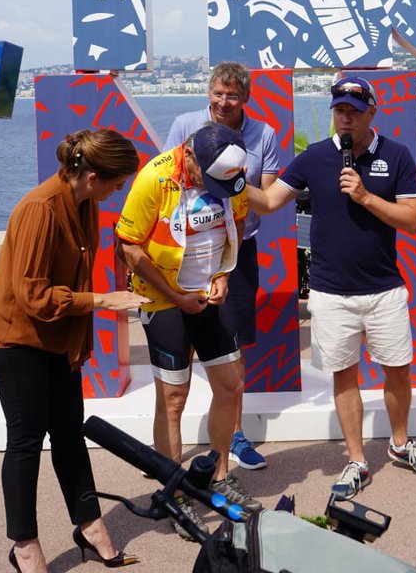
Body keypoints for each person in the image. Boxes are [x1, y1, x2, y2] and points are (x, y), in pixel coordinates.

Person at [244, 75, 416, 501]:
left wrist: (366, 196)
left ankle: (400, 443)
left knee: (398, 370)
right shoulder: (314, 157)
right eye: (339, 110)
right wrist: (232, 182)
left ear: (372, 113)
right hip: (331, 291)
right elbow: (270, 201)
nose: (346, 118)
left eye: (354, 111)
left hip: (384, 288)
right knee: (344, 374)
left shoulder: (396, 155)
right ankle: (356, 460)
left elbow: (413, 221)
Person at [0, 129, 145, 572]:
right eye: (117, 183)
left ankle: (90, 525)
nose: (118, 191)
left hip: (57, 334)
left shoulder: (86, 203)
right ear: (92, 177)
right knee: (26, 439)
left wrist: (81, 337)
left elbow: (76, 277)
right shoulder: (40, 209)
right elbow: (33, 296)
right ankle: (24, 546)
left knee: (69, 432)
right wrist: (103, 301)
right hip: (15, 336)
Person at [117, 122, 263, 540]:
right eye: (209, 181)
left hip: (208, 293)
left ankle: (219, 475)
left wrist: (224, 274)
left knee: (230, 386)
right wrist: (175, 296)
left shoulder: (233, 173)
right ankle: (175, 492)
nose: (215, 189)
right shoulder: (154, 177)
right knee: (173, 398)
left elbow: (235, 225)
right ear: (192, 157)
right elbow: (129, 247)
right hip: (163, 298)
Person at [164, 62, 281, 471]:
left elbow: (268, 198)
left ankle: (235, 436)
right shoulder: (184, 124)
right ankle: (169, 446)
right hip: (186, 252)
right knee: (180, 347)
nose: (224, 102)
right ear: (208, 93)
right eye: (218, 93)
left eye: (232, 95)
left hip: (237, 252)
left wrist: (229, 179)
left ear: (245, 98)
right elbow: (168, 183)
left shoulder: (264, 134)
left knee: (232, 348)